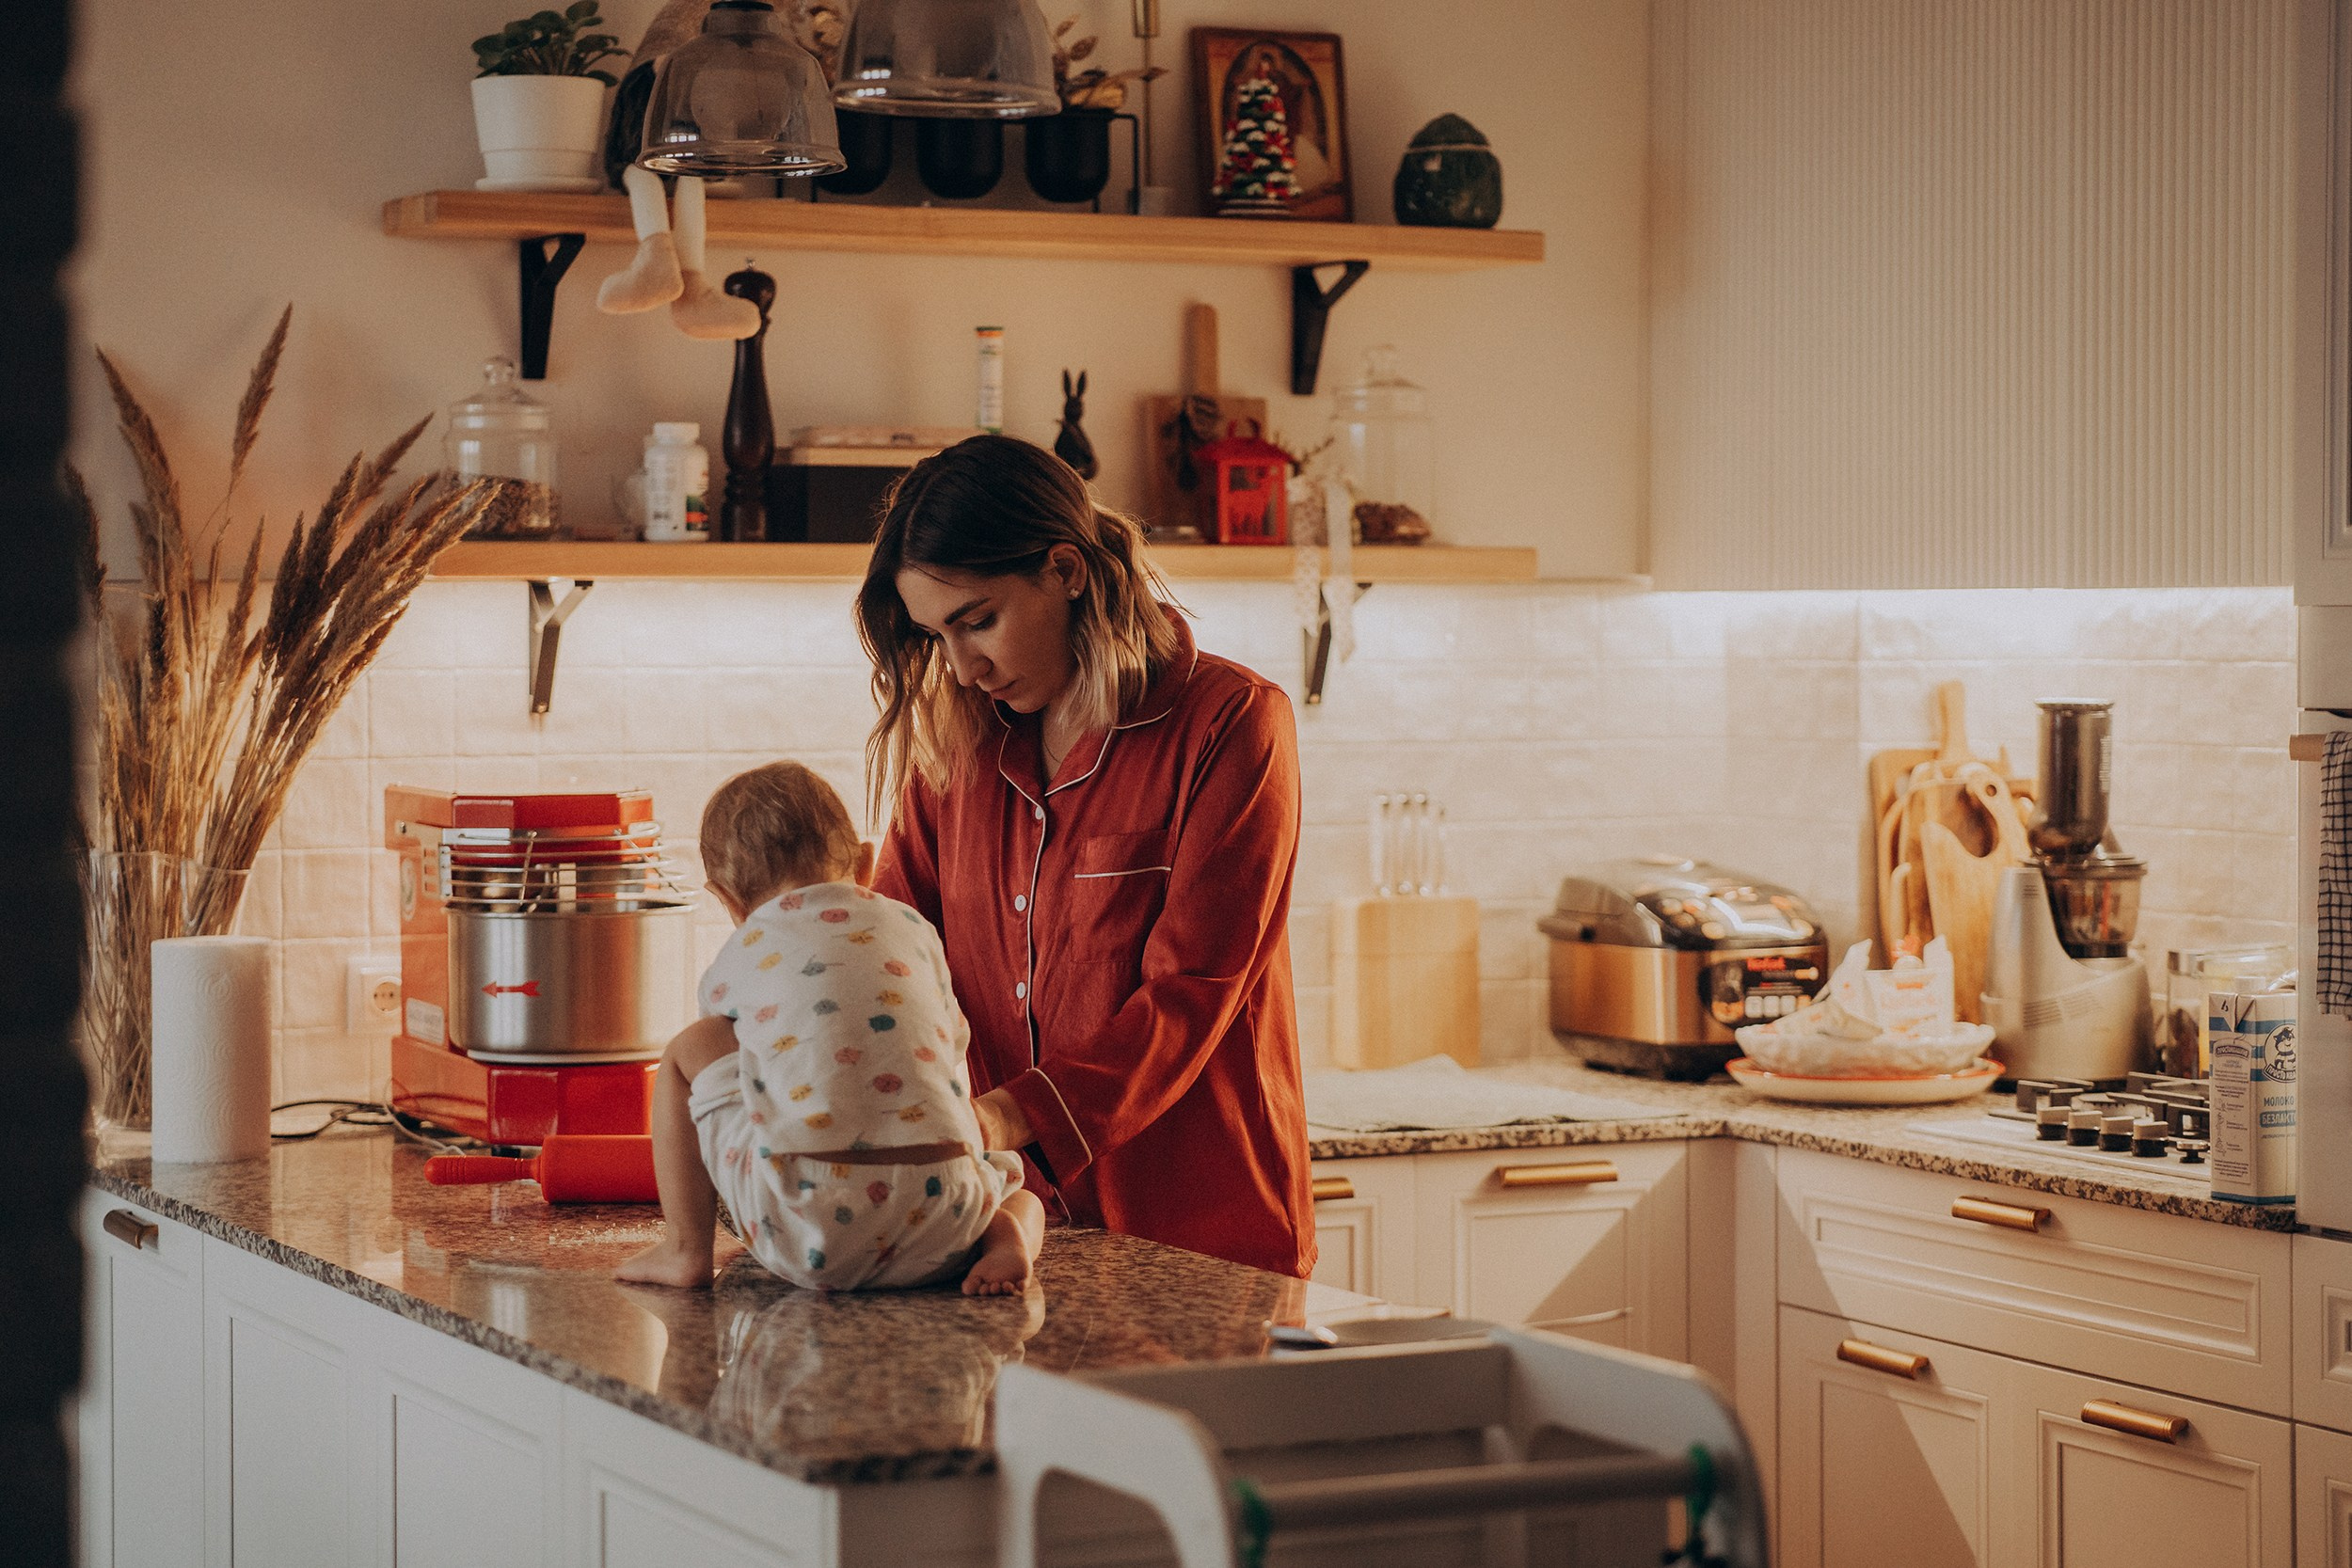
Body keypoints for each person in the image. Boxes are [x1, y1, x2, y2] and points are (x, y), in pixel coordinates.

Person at [856, 435, 1315, 1278]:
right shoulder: (955, 751)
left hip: (1206, 1237)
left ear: (1065, 569)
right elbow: (891, 953)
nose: (963, 667)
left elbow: (1192, 992)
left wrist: (1001, 1117)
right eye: (937, 636)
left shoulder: (1233, 723)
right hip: (1006, 1228)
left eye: (978, 621)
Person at [615, 760, 1044, 1294]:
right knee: (1023, 1196)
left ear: (726, 899)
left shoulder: (745, 947)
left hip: (811, 1228)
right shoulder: (913, 928)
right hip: (947, 1218)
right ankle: (1004, 1236)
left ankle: (684, 1249)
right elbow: (953, 1039)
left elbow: (731, 1063)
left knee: (689, 1050)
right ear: (865, 864)